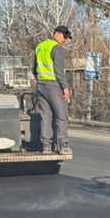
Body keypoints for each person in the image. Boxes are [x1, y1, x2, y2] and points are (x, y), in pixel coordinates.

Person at [33, 26, 73, 155]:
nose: (65, 40)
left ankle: (46, 146)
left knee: (46, 116)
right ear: (58, 34)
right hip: (54, 86)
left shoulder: (40, 46)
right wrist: (65, 87)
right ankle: (63, 145)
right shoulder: (57, 48)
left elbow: (34, 69)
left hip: (40, 84)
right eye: (65, 37)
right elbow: (58, 70)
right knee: (61, 116)